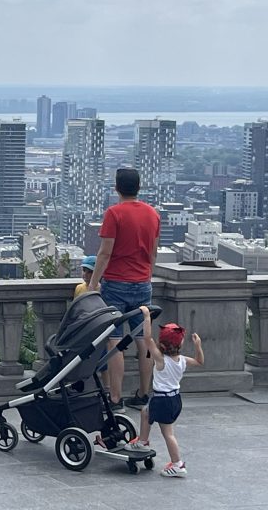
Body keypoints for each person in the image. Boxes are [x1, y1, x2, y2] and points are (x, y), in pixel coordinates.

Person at [88, 168, 160, 413]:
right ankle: (143, 394)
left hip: (116, 284)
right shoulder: (152, 214)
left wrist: (92, 284)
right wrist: (146, 275)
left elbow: (105, 252)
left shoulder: (114, 213)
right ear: (138, 187)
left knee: (114, 341)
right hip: (143, 283)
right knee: (144, 340)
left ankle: (115, 399)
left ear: (116, 187)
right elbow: (153, 252)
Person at [125, 306, 203, 477]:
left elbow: (146, 338)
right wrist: (198, 345)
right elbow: (199, 361)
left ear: (161, 344)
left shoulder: (160, 360)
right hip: (175, 399)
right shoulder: (182, 360)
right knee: (145, 412)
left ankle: (177, 464)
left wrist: (146, 316)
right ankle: (143, 441)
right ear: (181, 344)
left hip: (162, 400)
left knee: (168, 434)